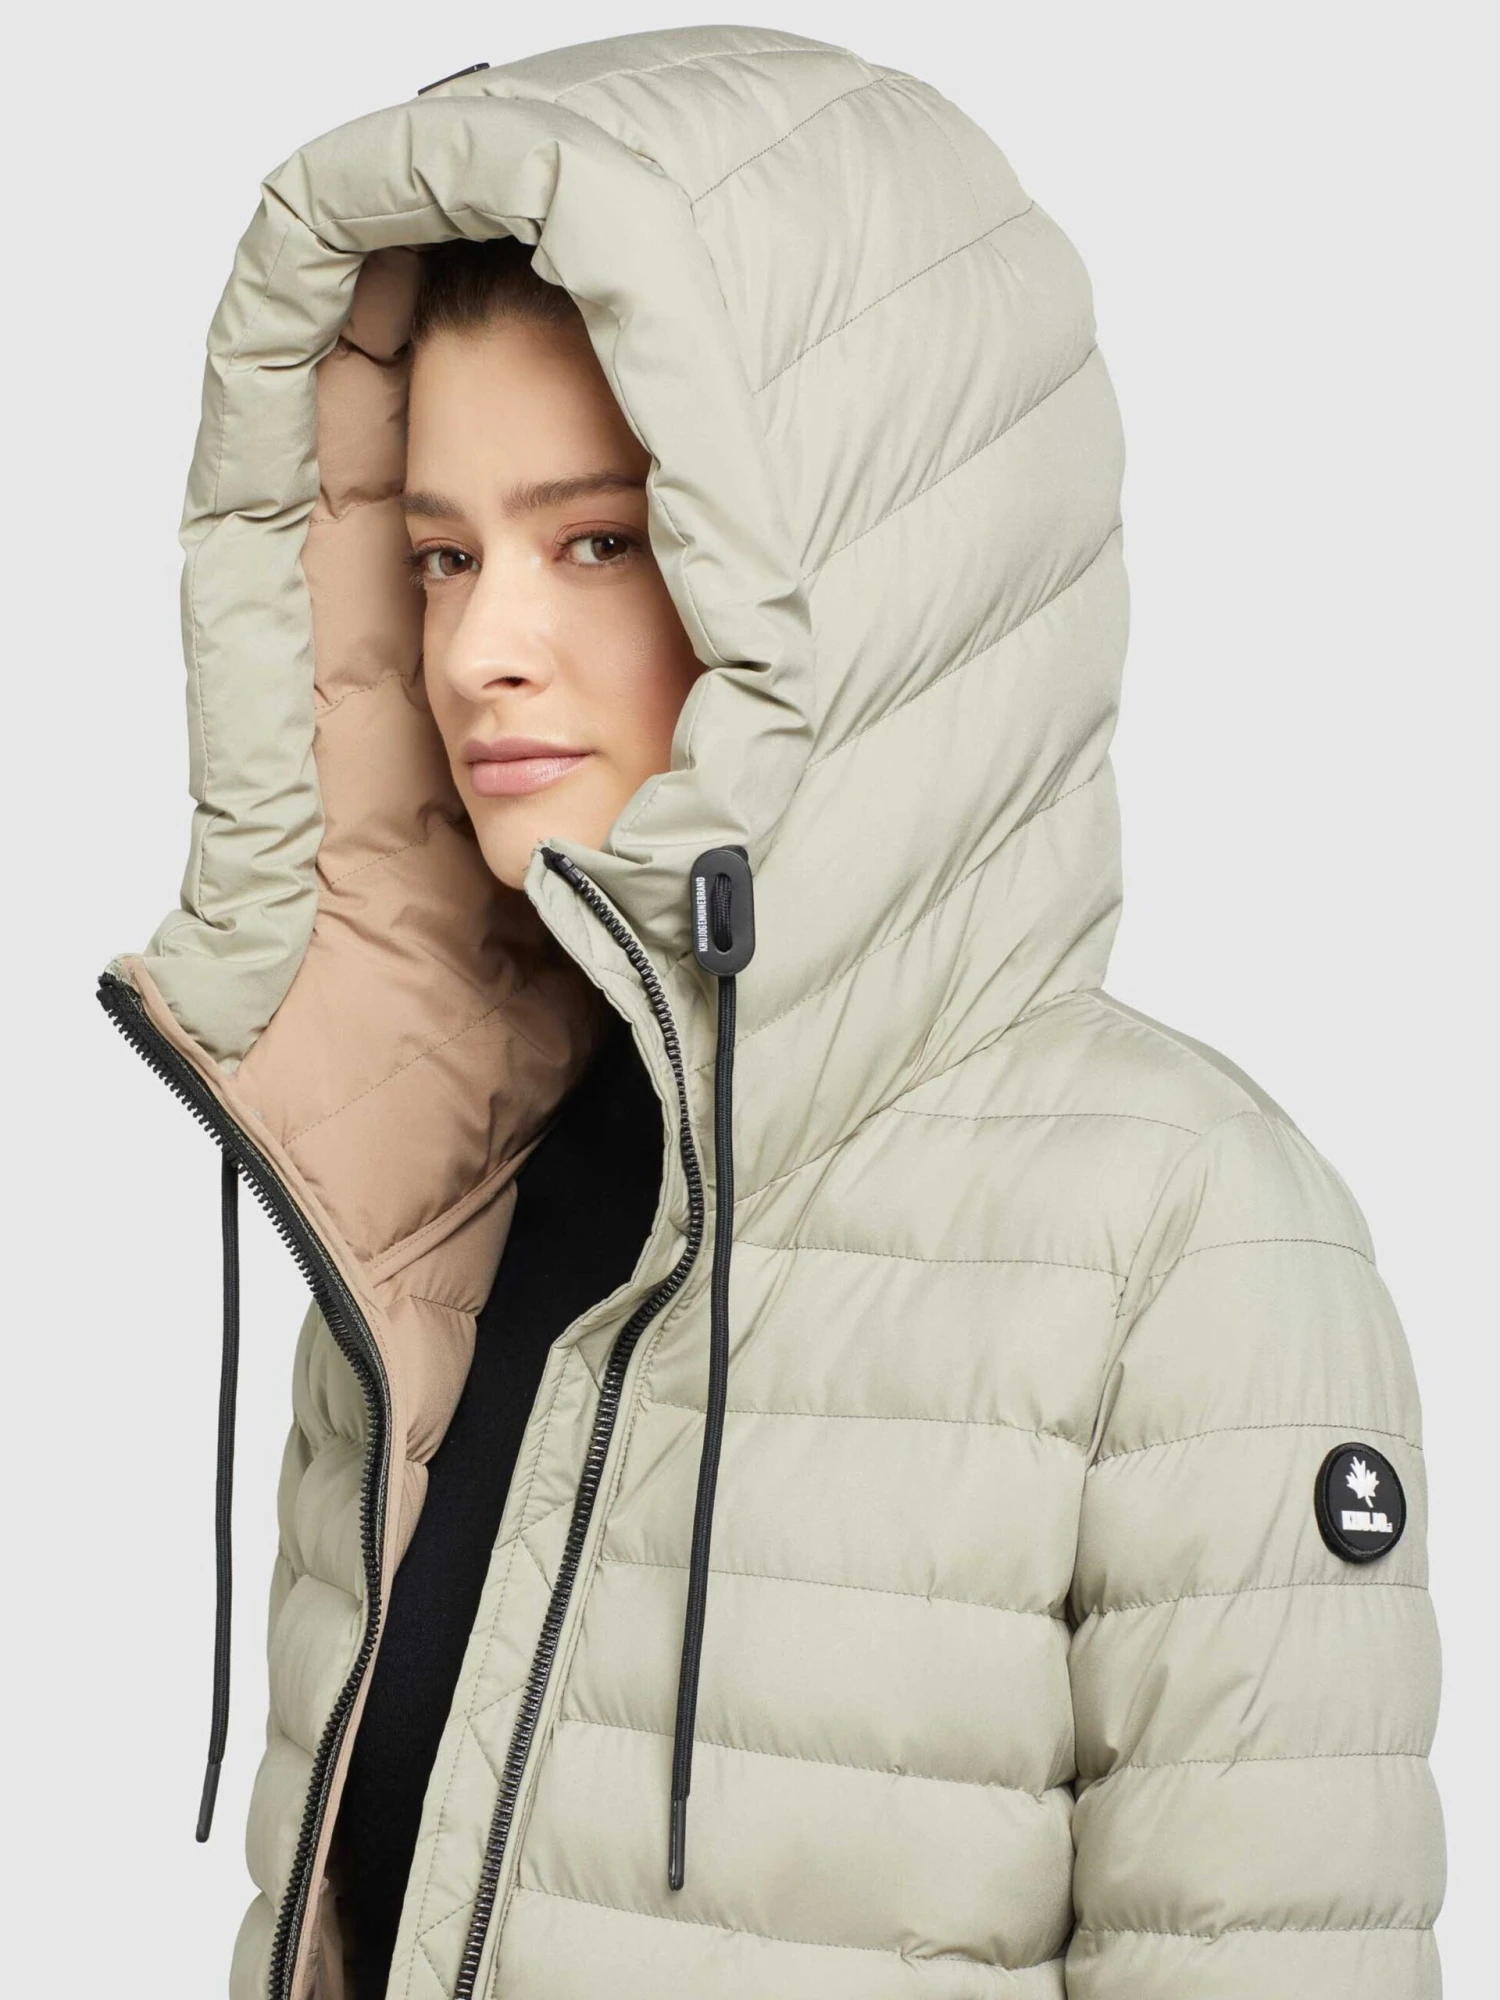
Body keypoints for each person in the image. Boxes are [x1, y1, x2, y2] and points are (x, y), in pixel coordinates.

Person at [96, 23, 1445, 2000]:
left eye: (601, 541)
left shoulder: (1187, 1244)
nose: (479, 649)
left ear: (861, 584)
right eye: (440, 558)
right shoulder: (419, 1206)